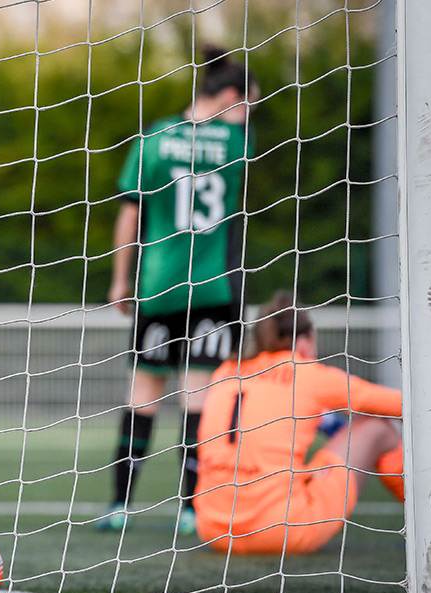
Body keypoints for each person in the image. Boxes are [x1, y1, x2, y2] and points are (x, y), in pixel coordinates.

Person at [100, 46, 259, 534]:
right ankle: (191, 508)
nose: (249, 116)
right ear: (231, 96)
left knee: (144, 392)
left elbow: (130, 213)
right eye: (250, 103)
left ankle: (119, 505)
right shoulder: (237, 142)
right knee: (199, 399)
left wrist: (120, 279)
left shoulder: (153, 139)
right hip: (214, 288)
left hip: (158, 286)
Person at [194, 293, 403, 554]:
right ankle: (429, 513)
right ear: (304, 342)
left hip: (214, 530)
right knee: (378, 426)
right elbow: (403, 405)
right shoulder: (309, 373)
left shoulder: (224, 372)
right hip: (282, 531)